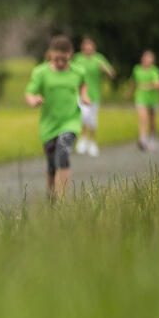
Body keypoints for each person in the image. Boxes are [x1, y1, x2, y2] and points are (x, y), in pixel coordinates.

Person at [25, 36, 91, 200]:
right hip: (48, 125)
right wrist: (34, 100)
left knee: (62, 152)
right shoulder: (41, 72)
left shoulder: (78, 71)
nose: (61, 62)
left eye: (64, 59)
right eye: (57, 59)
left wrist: (84, 95)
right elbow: (29, 93)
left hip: (70, 121)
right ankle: (52, 196)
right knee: (51, 164)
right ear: (50, 54)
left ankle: (62, 200)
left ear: (71, 55)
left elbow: (83, 83)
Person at [71, 37, 115, 157]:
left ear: (94, 48)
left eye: (90, 47)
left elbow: (112, 73)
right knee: (84, 116)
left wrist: (105, 69)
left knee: (92, 119)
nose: (88, 49)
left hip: (95, 95)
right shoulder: (78, 58)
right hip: (81, 94)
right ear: (82, 48)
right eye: (86, 47)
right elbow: (70, 71)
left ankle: (92, 142)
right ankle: (83, 139)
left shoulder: (98, 58)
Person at [131, 50, 159, 152]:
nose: (147, 60)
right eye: (146, 57)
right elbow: (133, 81)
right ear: (142, 58)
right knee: (142, 118)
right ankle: (142, 139)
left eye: (150, 58)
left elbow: (157, 84)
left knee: (152, 120)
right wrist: (128, 91)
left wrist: (147, 86)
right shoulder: (137, 69)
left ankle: (152, 137)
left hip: (152, 99)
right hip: (140, 97)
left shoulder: (154, 71)